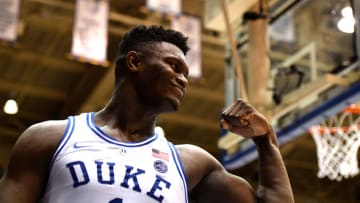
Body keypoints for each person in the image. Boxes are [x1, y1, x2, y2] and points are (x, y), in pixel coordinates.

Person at [0, 25, 294, 203]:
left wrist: (266, 142)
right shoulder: (50, 138)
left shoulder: (191, 163)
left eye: (186, 74)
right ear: (134, 62)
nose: (183, 79)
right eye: (174, 67)